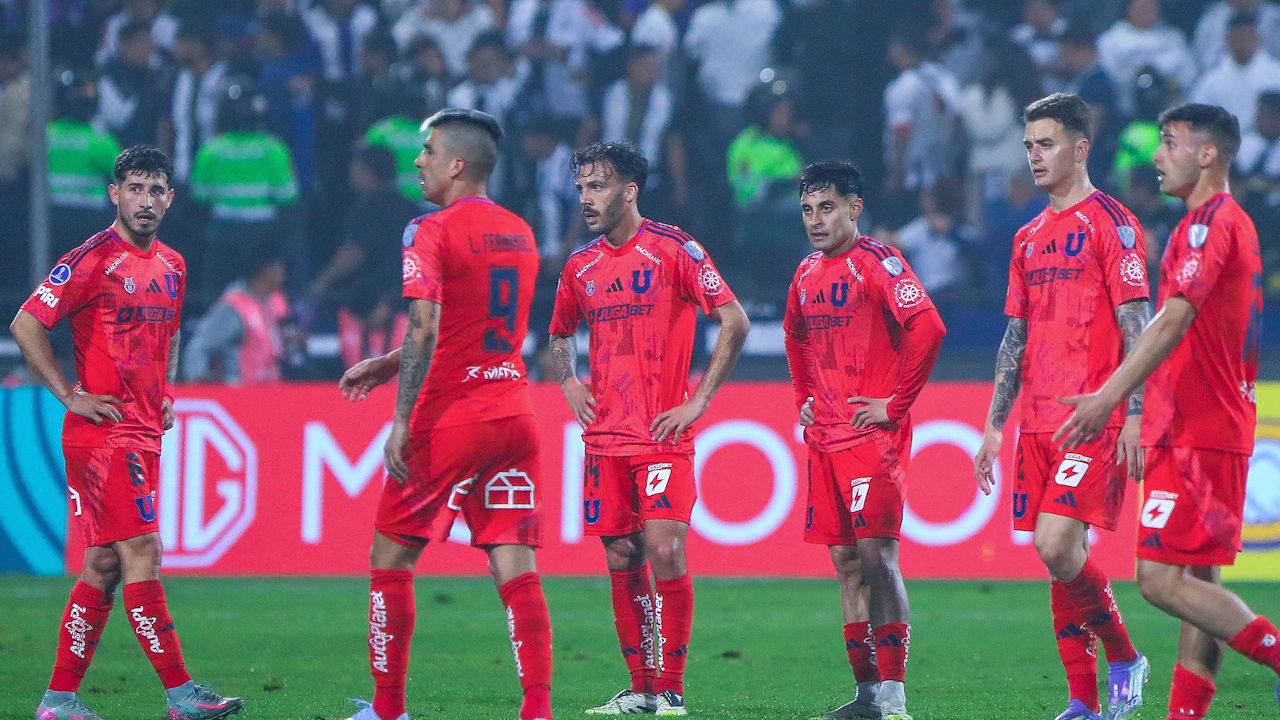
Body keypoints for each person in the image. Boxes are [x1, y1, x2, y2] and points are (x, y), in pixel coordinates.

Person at [1055, 103, 1276, 720]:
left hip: (1202, 429)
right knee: (1198, 587)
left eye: (1170, 142)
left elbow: (1173, 318)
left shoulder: (1210, 224)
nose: (1156, 156)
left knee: (1158, 581)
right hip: (1195, 423)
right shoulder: (1203, 225)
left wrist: (1109, 397)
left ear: (1207, 154)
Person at [9, 145, 242, 720]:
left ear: (169, 197)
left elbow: (173, 330)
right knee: (143, 550)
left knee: (104, 566)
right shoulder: (92, 258)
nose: (146, 200)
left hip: (143, 431)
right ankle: (182, 695)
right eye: (135, 189)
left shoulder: (174, 264)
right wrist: (69, 394)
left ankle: (59, 700)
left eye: (157, 189)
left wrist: (166, 388)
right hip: (102, 435)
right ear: (115, 194)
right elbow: (25, 323)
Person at [336, 109, 553, 720]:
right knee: (516, 567)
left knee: (390, 561)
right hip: (514, 413)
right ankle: (537, 710)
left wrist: (402, 419)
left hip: (451, 416)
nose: (417, 160)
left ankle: (387, 711)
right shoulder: (522, 232)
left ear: (458, 164)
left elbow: (428, 324)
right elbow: (470, 324)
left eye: (428, 151)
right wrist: (385, 363)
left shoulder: (427, 230)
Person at [548, 141, 750, 715]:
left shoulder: (674, 249)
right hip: (605, 435)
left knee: (663, 547)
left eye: (599, 186)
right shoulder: (580, 264)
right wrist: (568, 383)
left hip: (662, 432)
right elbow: (560, 332)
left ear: (629, 191)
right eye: (582, 186)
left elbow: (734, 320)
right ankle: (639, 688)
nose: (587, 198)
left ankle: (673, 689)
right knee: (620, 555)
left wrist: (699, 401)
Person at [973, 93, 1152, 720]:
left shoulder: (1113, 225)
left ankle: (1126, 657)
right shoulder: (1027, 237)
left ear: (1080, 148)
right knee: (1059, 561)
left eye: (1045, 143)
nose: (1033, 155)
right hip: (1036, 420)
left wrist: (1132, 412)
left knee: (1055, 545)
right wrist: (996, 425)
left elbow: (1139, 324)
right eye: (1028, 145)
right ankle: (1081, 700)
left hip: (1091, 415)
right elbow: (1014, 337)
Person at [785, 161, 946, 720]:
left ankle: (895, 696)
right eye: (807, 209)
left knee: (879, 554)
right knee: (846, 561)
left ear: (855, 208)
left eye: (826, 207)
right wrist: (804, 397)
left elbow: (928, 326)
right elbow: (795, 334)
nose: (815, 220)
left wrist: (895, 405)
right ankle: (867, 695)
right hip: (825, 436)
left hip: (871, 437)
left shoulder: (879, 262)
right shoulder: (806, 273)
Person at [182, 252, 288, 384]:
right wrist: (199, 380)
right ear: (266, 270)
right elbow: (199, 345)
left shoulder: (273, 302)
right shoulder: (235, 306)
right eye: (279, 268)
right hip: (240, 392)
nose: (284, 274)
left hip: (272, 389)